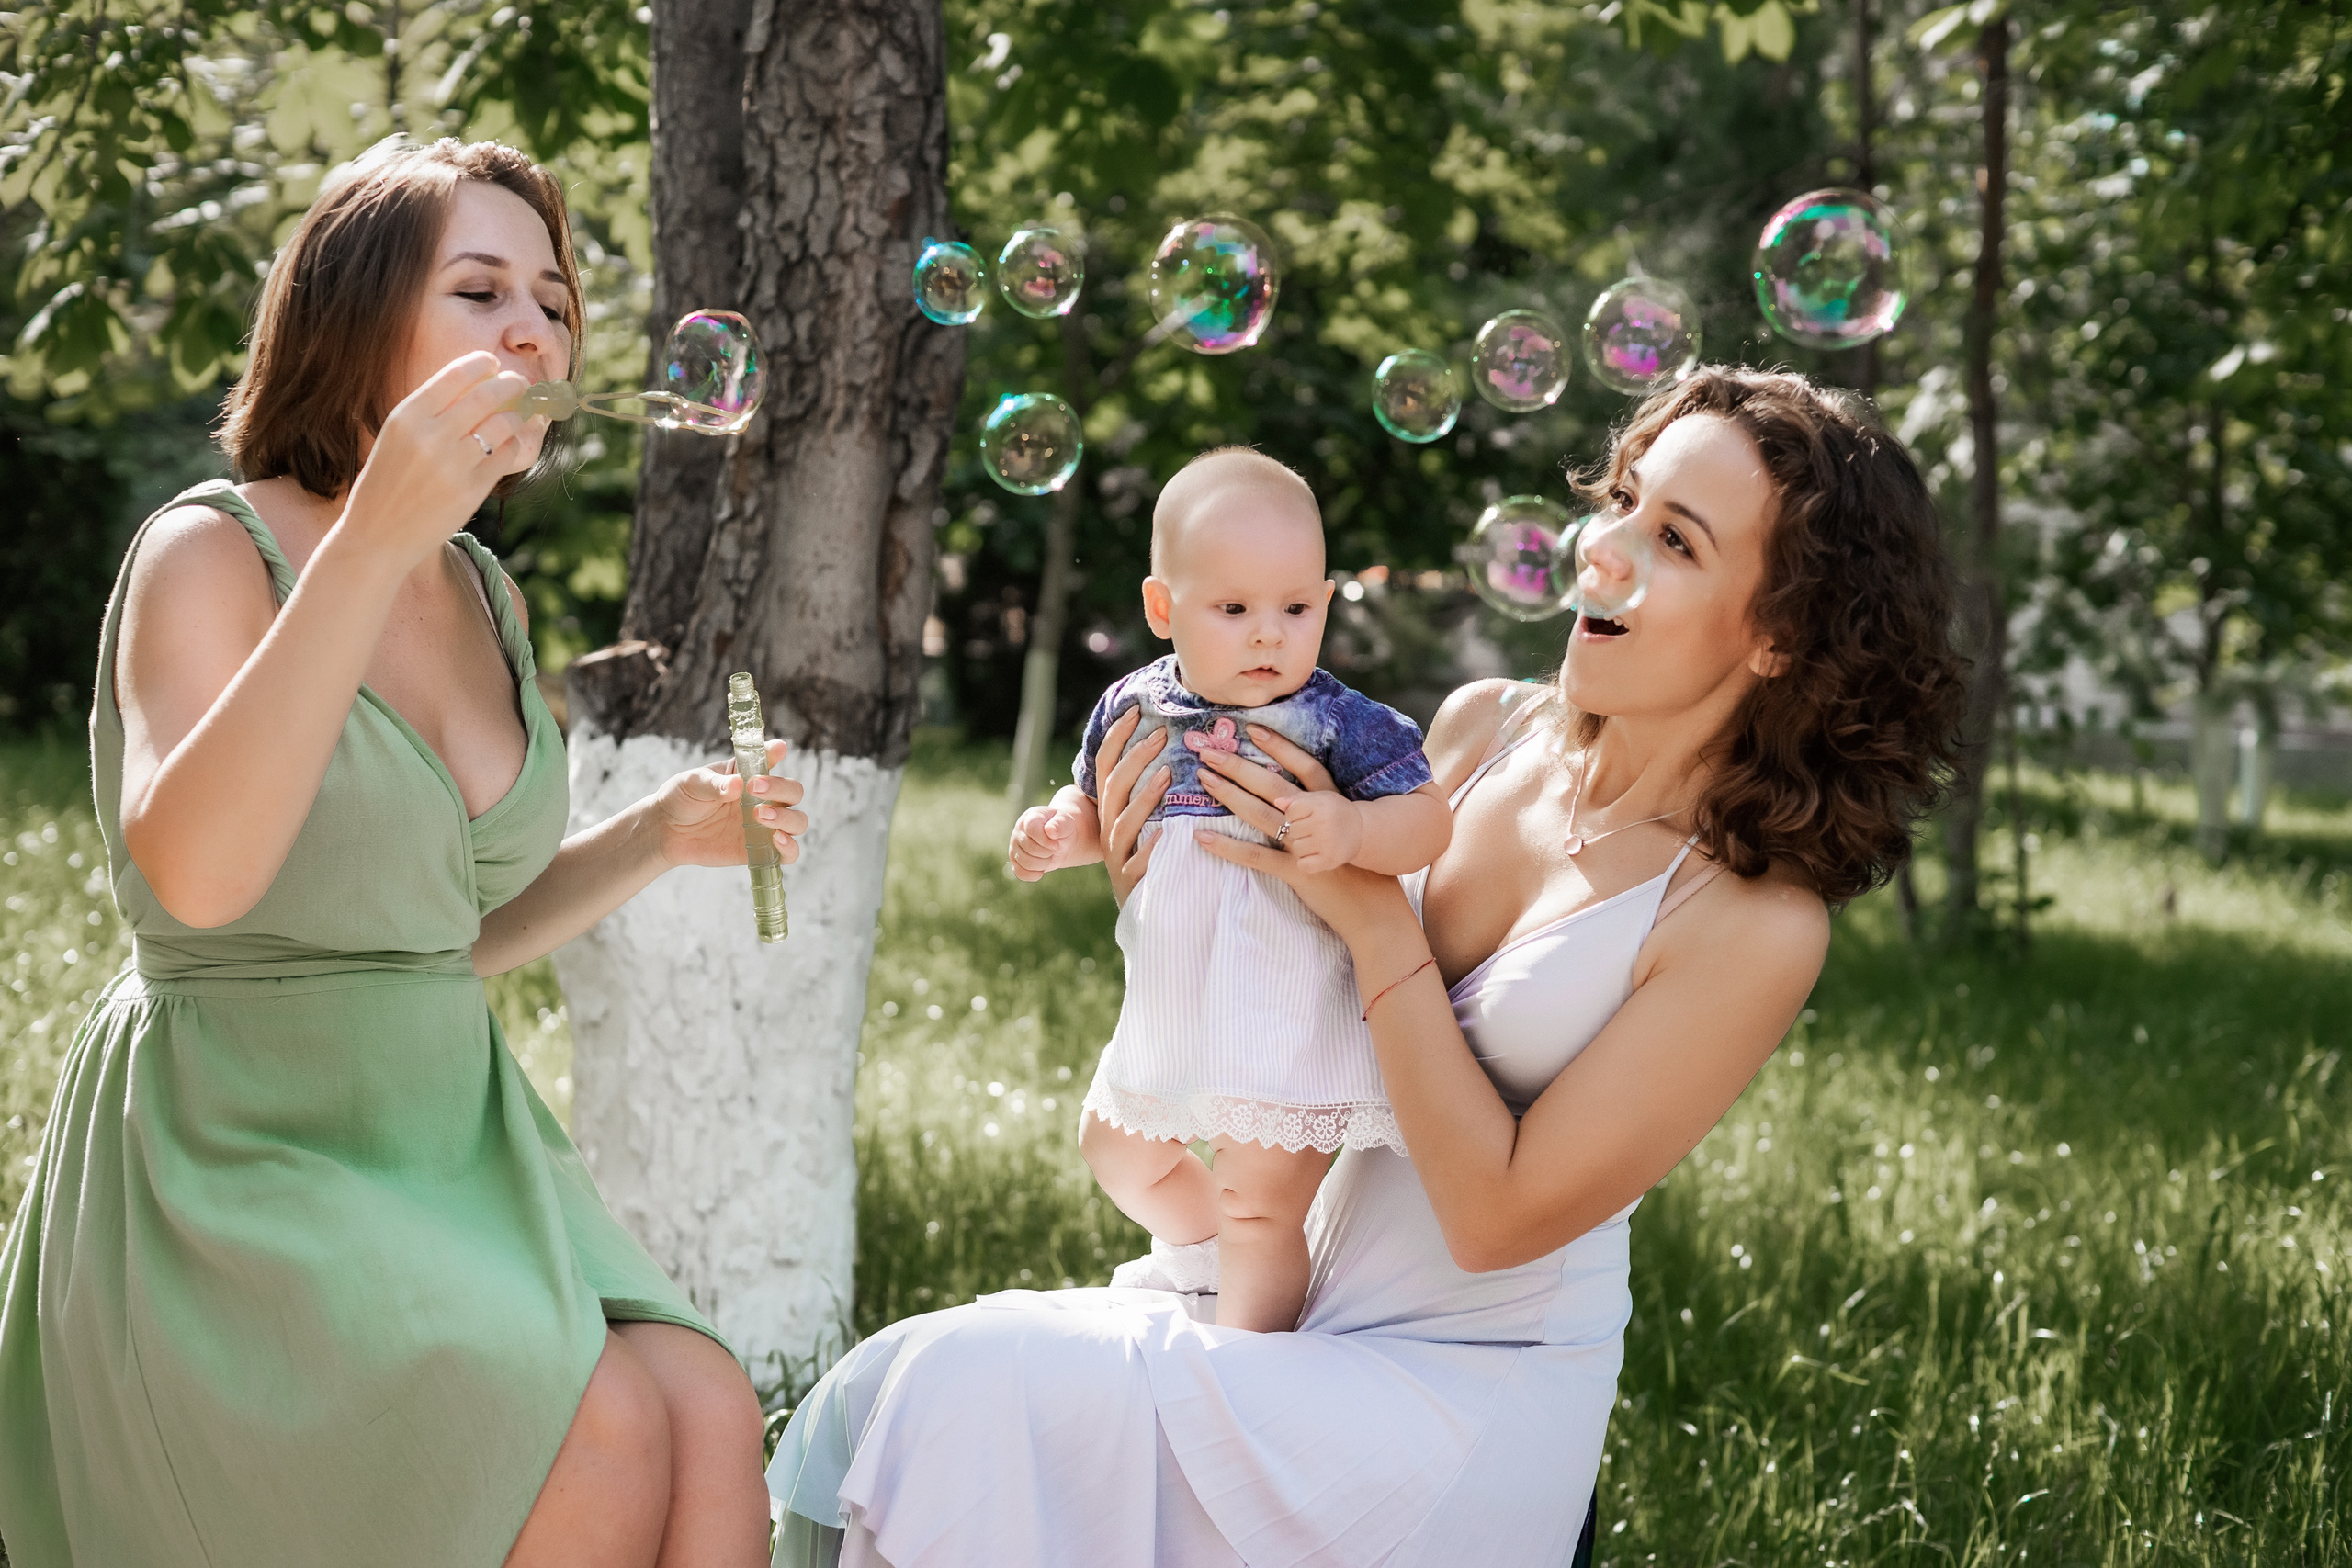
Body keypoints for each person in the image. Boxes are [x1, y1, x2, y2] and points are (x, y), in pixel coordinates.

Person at [767, 367, 1968, 1567]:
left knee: (956, 1395)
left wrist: (1378, 925)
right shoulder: (1482, 731)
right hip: (1293, 1300)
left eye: (1674, 538)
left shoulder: (1751, 918)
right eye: (1620, 497)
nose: (1600, 548)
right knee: (887, 1394)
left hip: (1460, 1401)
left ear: (1776, 636)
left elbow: (1499, 1216)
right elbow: (1297, 986)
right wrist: (1165, 874)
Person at [0, 138, 796, 1568]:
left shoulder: (482, 586)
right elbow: (201, 879)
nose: (534, 332)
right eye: (480, 289)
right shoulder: (213, 552)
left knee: (709, 1403)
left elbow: (435, 934)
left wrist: (662, 836)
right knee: (603, 1425)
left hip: (447, 1129)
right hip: (243, 1140)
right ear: (354, 320)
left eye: (552, 302)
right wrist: (370, 541)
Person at [1008, 448, 1451, 1333]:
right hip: (1176, 996)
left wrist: (1358, 830)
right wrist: (1064, 833)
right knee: (1117, 1151)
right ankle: (1207, 1265)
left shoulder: (1336, 722)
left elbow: (1429, 820)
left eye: (1295, 608)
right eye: (1235, 608)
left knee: (1261, 1203)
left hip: (1287, 1004)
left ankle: (1249, 1361)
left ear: (1326, 602)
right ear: (1162, 607)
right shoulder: (1132, 706)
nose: (1267, 634)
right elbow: (1103, 806)